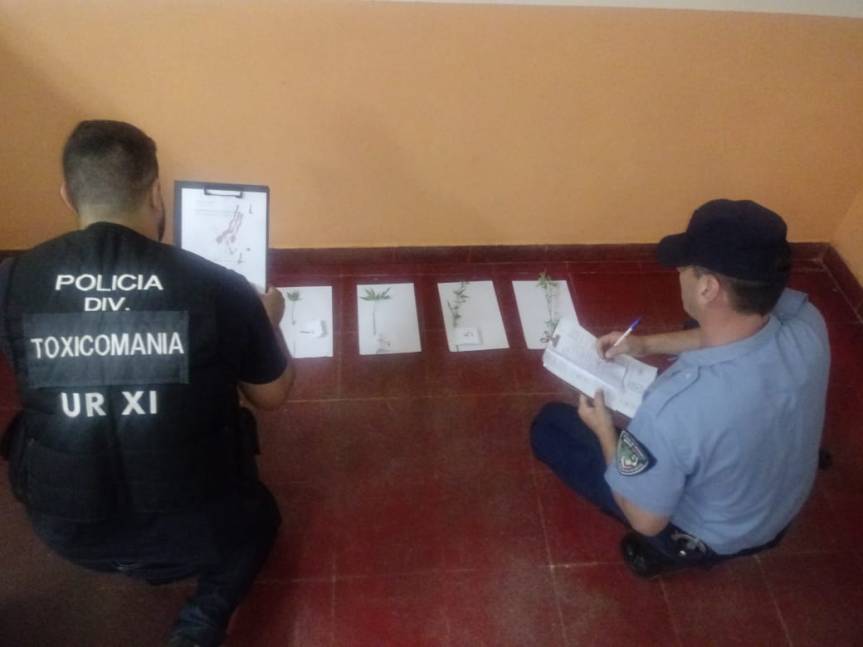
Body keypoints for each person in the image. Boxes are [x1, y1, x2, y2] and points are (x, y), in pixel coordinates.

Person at [0, 120, 294, 646]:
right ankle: (200, 623)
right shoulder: (219, 286)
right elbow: (272, 395)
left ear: (67, 194)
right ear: (156, 193)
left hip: (65, 531)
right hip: (197, 529)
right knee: (261, 519)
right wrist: (265, 320)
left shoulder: (11, 281)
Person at [531, 199, 830, 578]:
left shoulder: (675, 410)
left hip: (712, 536)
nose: (678, 273)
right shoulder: (808, 322)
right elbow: (732, 332)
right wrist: (644, 345)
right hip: (779, 510)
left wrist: (605, 430)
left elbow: (645, 520)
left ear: (707, 288)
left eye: (685, 268)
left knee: (550, 427)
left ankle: (669, 554)